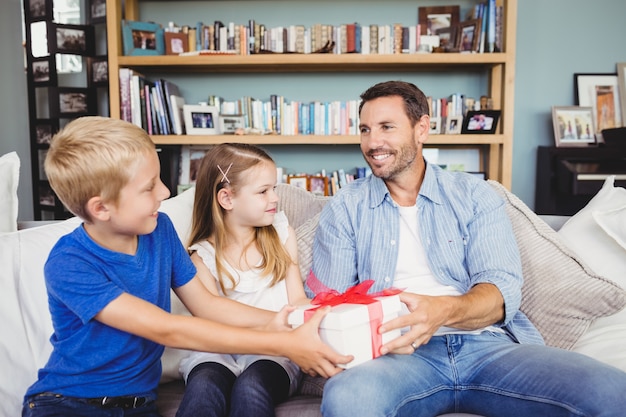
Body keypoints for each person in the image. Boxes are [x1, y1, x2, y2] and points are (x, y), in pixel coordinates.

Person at [307, 80, 626, 417]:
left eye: (387, 127)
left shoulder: (475, 195)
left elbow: (500, 292)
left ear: (422, 128)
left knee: (613, 392)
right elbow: (328, 301)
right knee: (347, 399)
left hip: (487, 347)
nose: (373, 142)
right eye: (365, 130)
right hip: (395, 355)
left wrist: (442, 311)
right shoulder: (346, 206)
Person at [22, 116, 349, 417]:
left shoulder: (158, 231)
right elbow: (166, 329)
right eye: (149, 187)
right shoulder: (70, 263)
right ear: (102, 208)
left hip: (139, 405)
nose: (165, 192)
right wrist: (284, 344)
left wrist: (284, 323)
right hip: (68, 404)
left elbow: (207, 305)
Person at [176, 143, 309, 417]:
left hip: (273, 353)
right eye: (263, 191)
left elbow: (297, 299)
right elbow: (212, 318)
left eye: (274, 188)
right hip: (219, 351)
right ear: (227, 199)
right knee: (203, 389)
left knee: (251, 388)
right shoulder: (202, 256)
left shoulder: (282, 235)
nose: (275, 198)